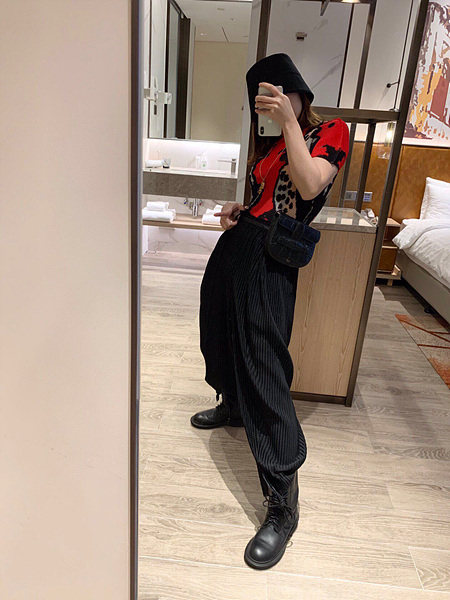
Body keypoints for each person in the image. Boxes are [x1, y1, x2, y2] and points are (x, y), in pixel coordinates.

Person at [191, 53, 349, 570]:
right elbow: (268, 197)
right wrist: (242, 208)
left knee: (264, 364)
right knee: (218, 332)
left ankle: (283, 503)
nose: (270, 106)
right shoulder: (272, 142)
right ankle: (233, 406)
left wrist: (288, 122)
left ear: (296, 92)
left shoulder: (329, 131)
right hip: (241, 243)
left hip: (271, 259)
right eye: (261, 101)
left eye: (277, 95)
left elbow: (308, 186)